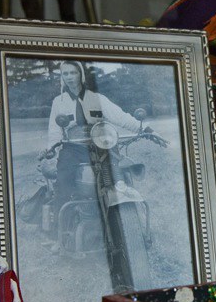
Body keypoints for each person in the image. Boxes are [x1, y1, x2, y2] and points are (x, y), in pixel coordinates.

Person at [43, 60, 142, 216]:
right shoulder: (59, 102)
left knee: (118, 176)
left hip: (101, 147)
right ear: (62, 77)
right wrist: (51, 150)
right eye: (65, 73)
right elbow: (54, 130)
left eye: (73, 72)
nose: (69, 77)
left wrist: (144, 128)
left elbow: (121, 117)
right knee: (63, 181)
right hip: (73, 149)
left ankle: (123, 215)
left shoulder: (97, 98)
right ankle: (59, 226)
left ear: (81, 74)